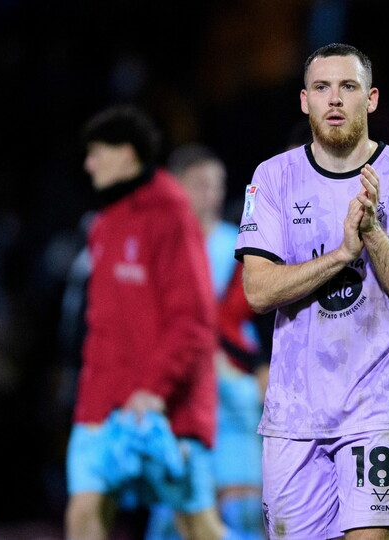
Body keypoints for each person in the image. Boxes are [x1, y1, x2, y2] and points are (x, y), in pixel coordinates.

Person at [235, 43, 389, 539]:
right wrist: (339, 255)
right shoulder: (271, 179)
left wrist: (373, 233)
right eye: (322, 87)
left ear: (370, 99)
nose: (335, 99)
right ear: (304, 101)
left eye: (348, 87)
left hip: (374, 409)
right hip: (294, 416)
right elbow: (258, 291)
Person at [64, 105, 223, 540]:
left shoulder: (171, 214)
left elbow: (193, 322)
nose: (88, 164)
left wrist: (154, 390)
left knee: (196, 524)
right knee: (84, 510)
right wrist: (90, 404)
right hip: (103, 405)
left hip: (166, 405)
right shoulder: (102, 224)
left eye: (97, 153)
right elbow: (101, 326)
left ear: (127, 155)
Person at [145, 143, 269, 540]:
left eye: (217, 186)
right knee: (175, 520)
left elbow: (268, 314)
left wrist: (262, 369)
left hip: (233, 392)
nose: (211, 195)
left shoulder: (242, 244)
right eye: (200, 185)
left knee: (245, 515)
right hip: (179, 394)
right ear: (176, 188)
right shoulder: (158, 249)